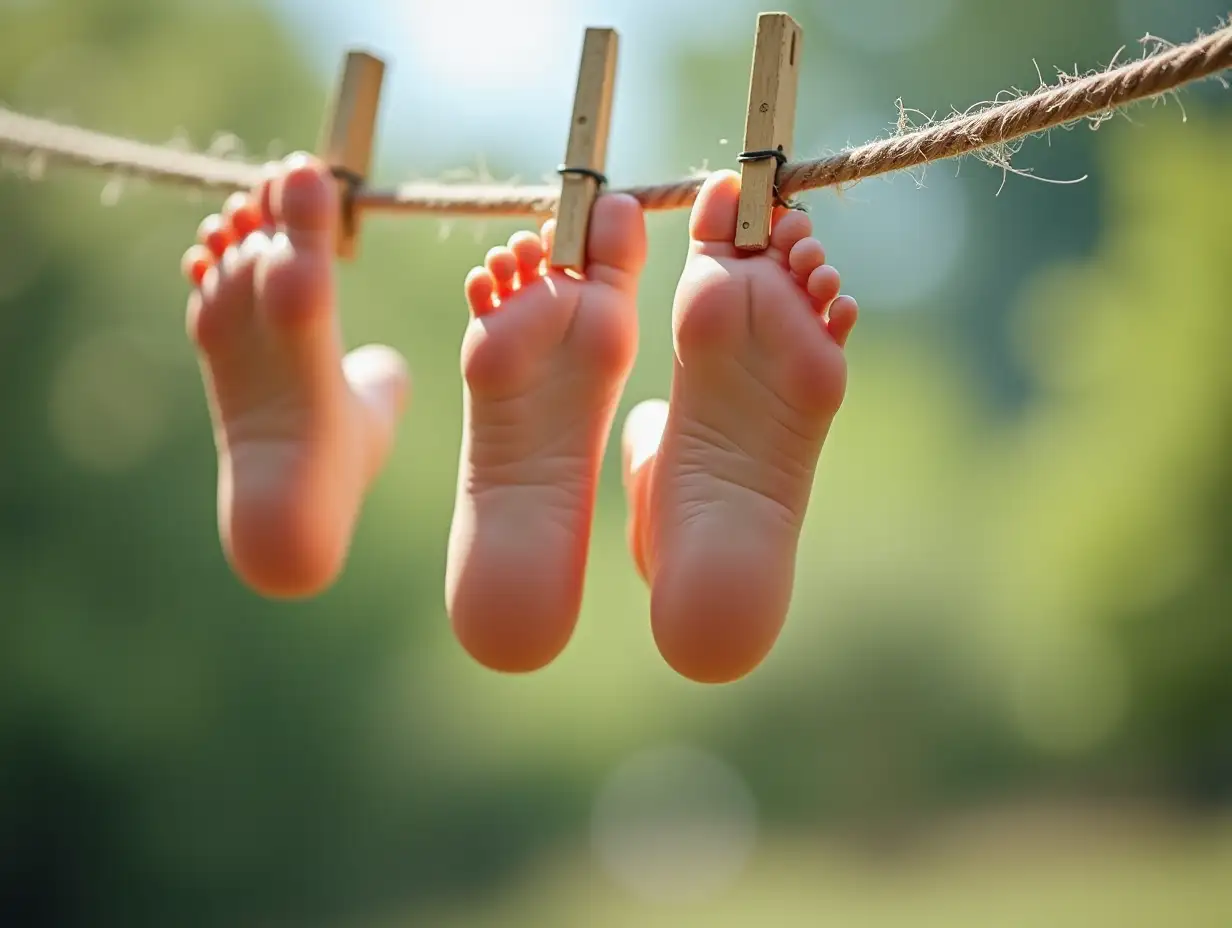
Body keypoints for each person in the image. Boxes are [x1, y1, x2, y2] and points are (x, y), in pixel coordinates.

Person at [181, 153, 857, 684]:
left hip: (425, 561)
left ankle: (338, 443)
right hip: (716, 583)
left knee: (384, 376)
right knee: (391, 379)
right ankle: (664, 513)